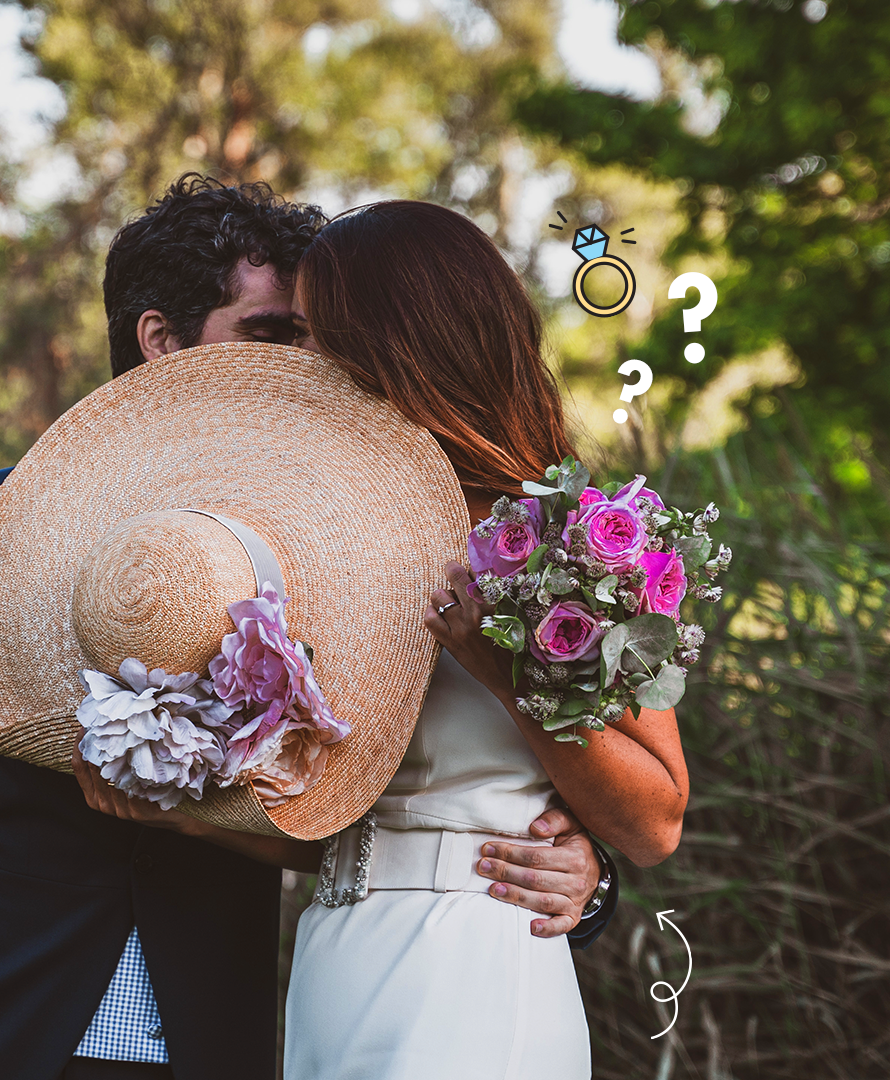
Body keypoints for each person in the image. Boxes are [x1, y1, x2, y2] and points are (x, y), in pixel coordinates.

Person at [0, 175, 617, 1080]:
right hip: (6, 1039)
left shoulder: (350, 541)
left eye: (311, 340)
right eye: (271, 334)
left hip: (225, 1039)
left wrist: (584, 882)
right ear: (160, 340)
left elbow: (384, 793)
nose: (302, 366)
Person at [280, 201, 692, 1080]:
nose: (298, 361)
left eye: (317, 335)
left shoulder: (569, 539)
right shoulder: (312, 532)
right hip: (333, 952)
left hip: (468, 959)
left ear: (394, 344)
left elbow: (656, 818)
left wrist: (507, 674)